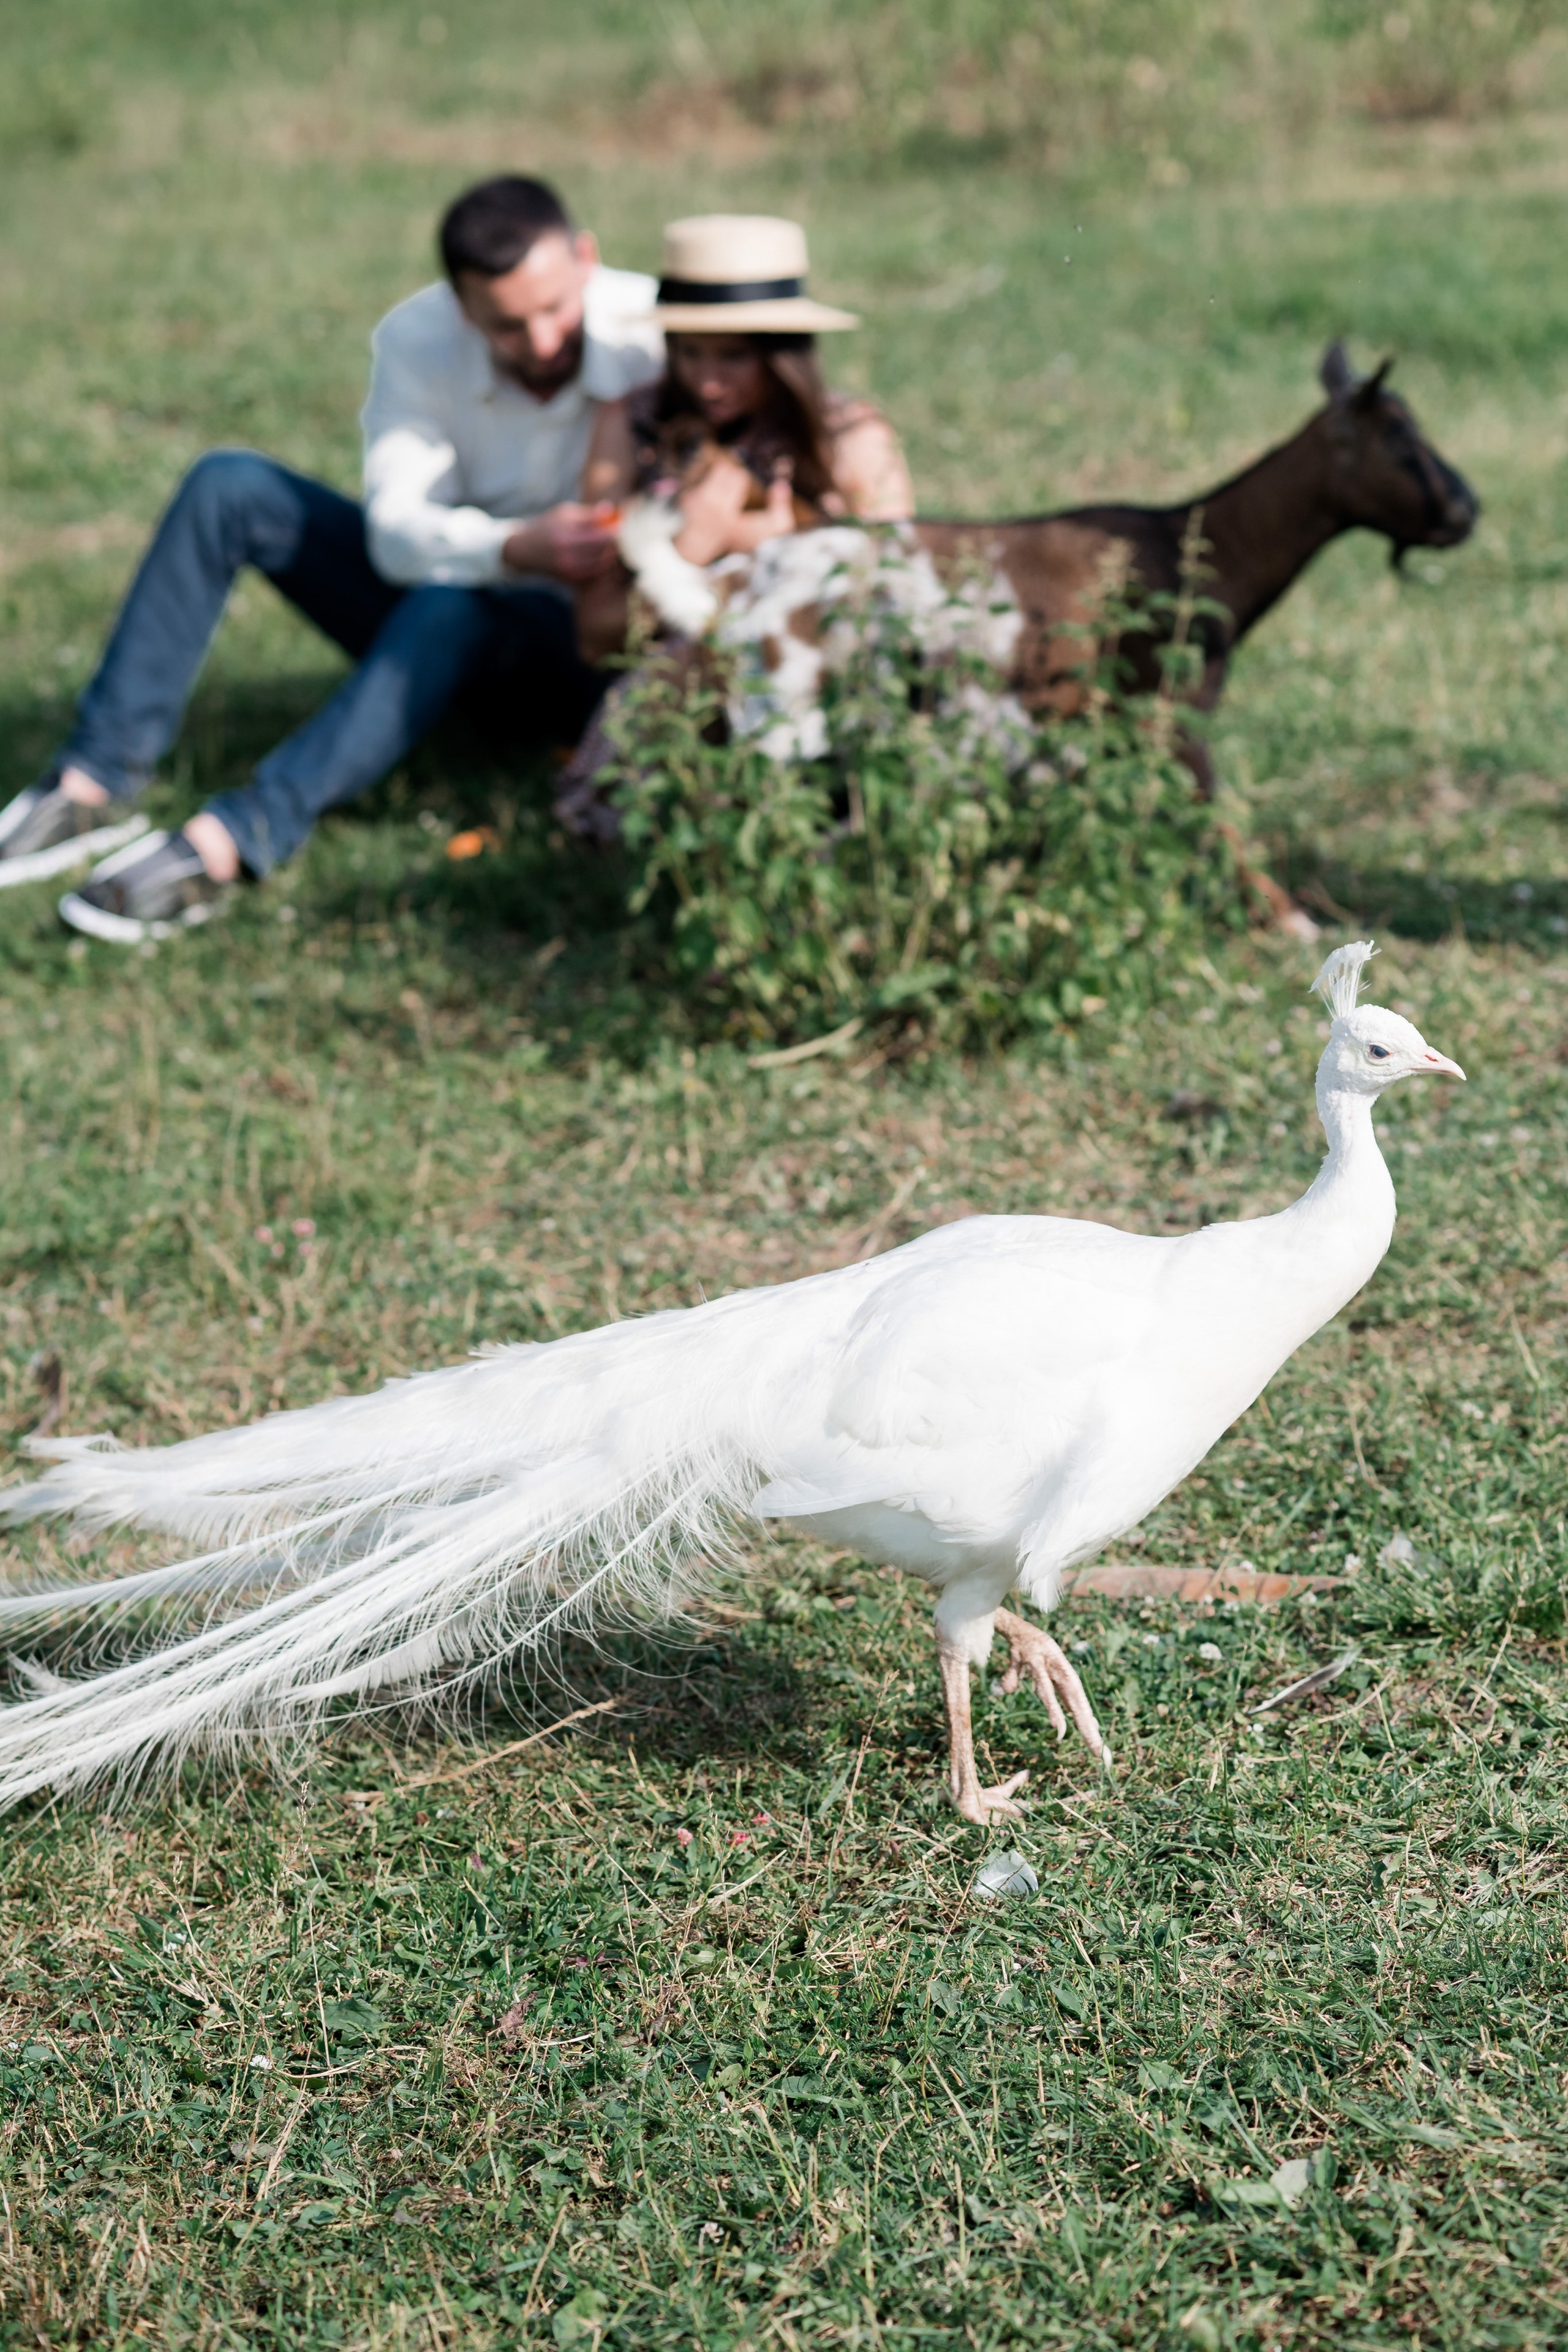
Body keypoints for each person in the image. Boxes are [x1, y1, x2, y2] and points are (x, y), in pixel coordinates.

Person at [0, 176, 663, 941]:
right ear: (460, 305)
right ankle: (93, 780)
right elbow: (395, 533)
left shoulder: (659, 334)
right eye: (509, 326)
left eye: (554, 310)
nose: (543, 343)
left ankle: (235, 840)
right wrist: (513, 547)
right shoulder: (418, 340)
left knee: (451, 601)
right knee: (230, 486)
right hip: (453, 592)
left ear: (587, 260)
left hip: (580, 651)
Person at [571, 214, 914, 663]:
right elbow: (595, 634)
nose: (708, 383)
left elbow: (902, 599)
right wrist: (689, 552)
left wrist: (777, 550)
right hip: (674, 683)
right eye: (689, 352)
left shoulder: (851, 438)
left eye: (734, 356)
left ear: (782, 355)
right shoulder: (632, 425)